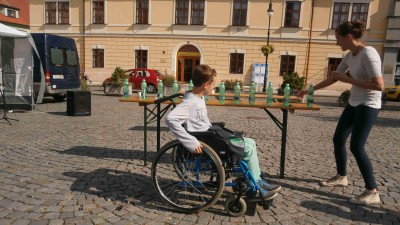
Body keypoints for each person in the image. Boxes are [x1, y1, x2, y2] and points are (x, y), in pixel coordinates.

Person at [298, 20, 384, 205]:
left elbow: (379, 86)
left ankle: (372, 191)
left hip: (368, 105)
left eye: (338, 39)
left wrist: (348, 80)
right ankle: (341, 176)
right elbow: (334, 78)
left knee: (357, 147)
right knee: (338, 139)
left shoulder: (369, 53)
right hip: (354, 103)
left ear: (349, 37)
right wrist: (310, 90)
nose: (337, 43)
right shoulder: (350, 55)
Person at [166, 64, 281, 201]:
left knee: (251, 142)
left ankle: (257, 181)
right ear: (206, 84)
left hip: (210, 135)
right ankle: (253, 188)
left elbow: (200, 122)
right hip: (205, 140)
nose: (214, 87)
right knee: (248, 148)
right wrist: (191, 142)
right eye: (213, 84)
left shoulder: (198, 98)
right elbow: (170, 119)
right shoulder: (189, 102)